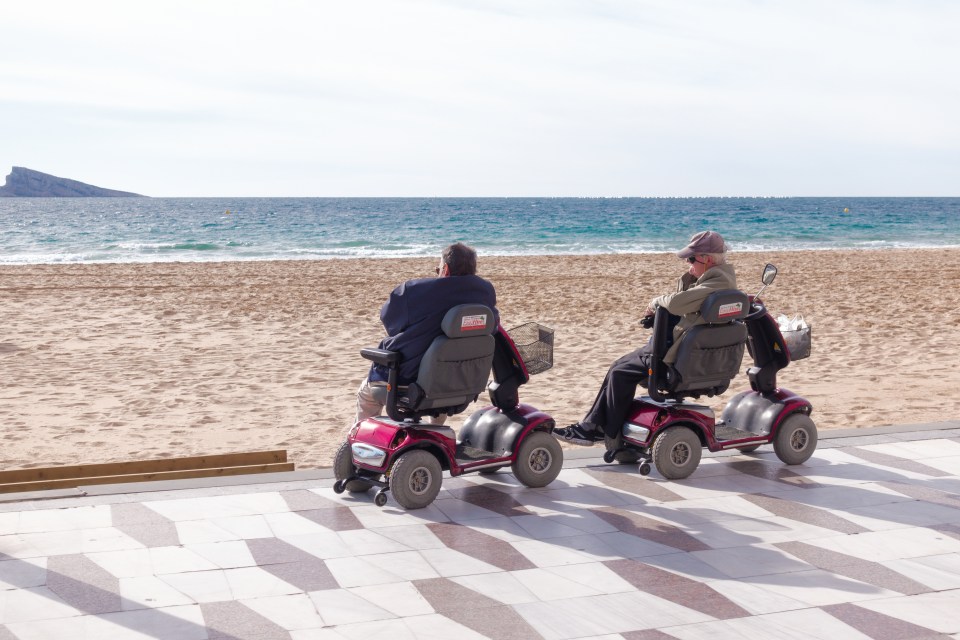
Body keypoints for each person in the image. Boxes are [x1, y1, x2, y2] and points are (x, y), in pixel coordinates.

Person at [553, 230, 737, 445]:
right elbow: (687, 304)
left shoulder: (715, 284)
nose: (688, 262)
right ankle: (593, 426)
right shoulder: (721, 280)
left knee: (620, 371)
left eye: (691, 258)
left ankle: (603, 431)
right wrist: (691, 276)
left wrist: (655, 302)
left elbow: (677, 303)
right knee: (619, 367)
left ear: (706, 259)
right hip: (690, 350)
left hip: (679, 355)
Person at [354, 242, 498, 424]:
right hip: (458, 382)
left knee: (367, 395)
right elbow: (493, 326)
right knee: (440, 378)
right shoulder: (484, 293)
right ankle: (435, 434)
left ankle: (358, 446)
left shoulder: (413, 291)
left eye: (437, 268)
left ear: (445, 269)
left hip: (408, 378)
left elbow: (390, 323)